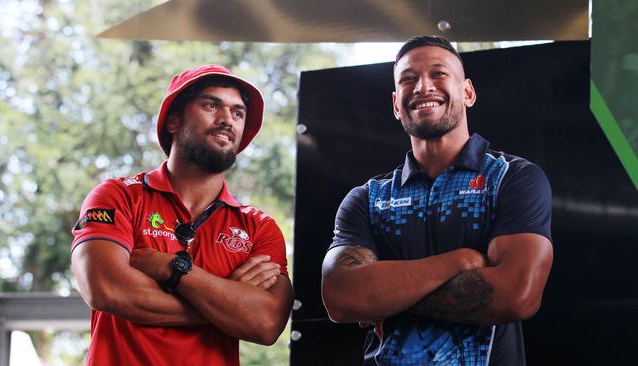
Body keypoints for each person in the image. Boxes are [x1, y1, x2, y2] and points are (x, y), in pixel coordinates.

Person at [321, 36, 553, 365]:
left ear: (468, 92)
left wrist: (381, 296)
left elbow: (518, 294)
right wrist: (458, 261)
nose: (423, 87)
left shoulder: (512, 178)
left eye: (439, 74)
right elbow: (341, 297)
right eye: (408, 79)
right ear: (396, 104)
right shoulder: (367, 199)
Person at [71, 64, 294, 366]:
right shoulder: (117, 196)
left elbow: (266, 323)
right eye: (211, 104)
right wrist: (228, 301)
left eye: (238, 113)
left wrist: (174, 270)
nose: (227, 119)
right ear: (174, 120)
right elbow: (107, 289)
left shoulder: (259, 228)